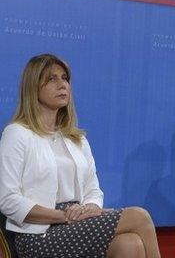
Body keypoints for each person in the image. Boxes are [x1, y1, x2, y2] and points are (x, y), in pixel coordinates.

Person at [0, 54, 161, 258]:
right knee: (139, 217)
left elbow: (93, 189)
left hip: (78, 220)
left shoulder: (76, 138)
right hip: (39, 234)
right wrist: (63, 216)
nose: (62, 85)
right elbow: (7, 200)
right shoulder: (17, 133)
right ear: (33, 87)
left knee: (131, 244)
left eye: (65, 78)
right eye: (52, 79)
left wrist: (91, 208)